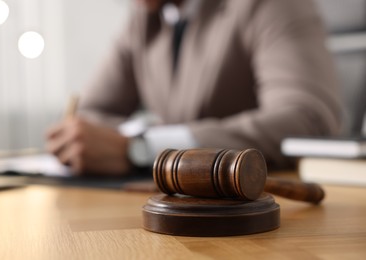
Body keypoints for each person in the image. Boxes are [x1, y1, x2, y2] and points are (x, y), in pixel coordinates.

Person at [46, 0, 341, 175]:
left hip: (264, 213)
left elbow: (307, 120)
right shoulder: (144, 19)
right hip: (179, 207)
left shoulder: (267, 6)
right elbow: (91, 115)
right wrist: (105, 142)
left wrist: (143, 149)